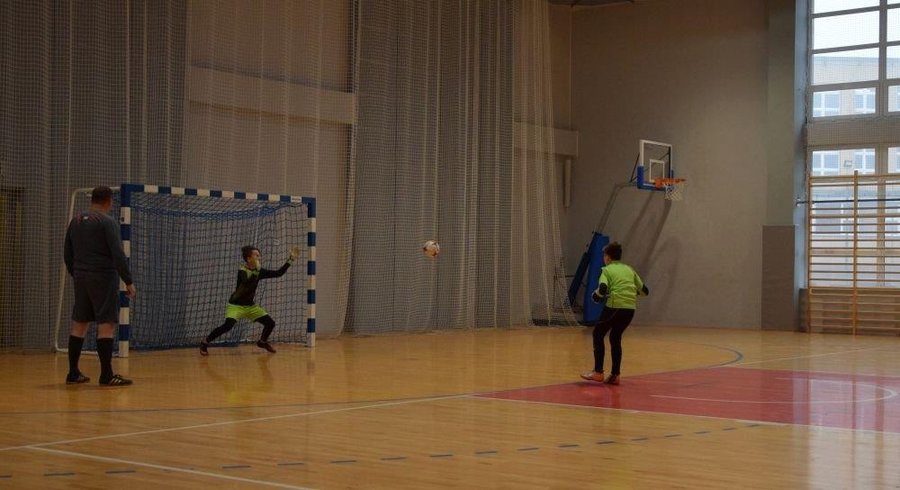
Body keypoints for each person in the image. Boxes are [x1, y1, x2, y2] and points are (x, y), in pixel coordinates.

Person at [64, 186, 136, 386]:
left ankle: (73, 372)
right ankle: (106, 375)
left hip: (81, 277)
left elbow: (67, 253)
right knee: (106, 324)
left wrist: (77, 273)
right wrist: (128, 280)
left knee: (79, 323)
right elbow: (117, 254)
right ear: (108, 201)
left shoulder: (75, 221)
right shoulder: (107, 222)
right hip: (103, 277)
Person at [200, 245, 299, 356]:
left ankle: (262, 342)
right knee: (228, 326)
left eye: (259, 255)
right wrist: (256, 271)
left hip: (250, 306)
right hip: (236, 305)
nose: (259, 257)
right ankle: (205, 342)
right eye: (256, 255)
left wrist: (290, 260)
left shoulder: (259, 271)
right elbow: (247, 283)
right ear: (248, 258)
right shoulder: (242, 270)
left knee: (270, 323)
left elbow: (278, 273)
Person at [580, 242, 648, 385]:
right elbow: (644, 291)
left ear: (608, 257)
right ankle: (615, 375)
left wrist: (595, 296)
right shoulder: (629, 269)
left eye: (604, 255)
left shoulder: (606, 270)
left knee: (598, 334)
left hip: (615, 306)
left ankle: (598, 372)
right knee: (615, 338)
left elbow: (602, 288)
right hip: (630, 309)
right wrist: (630, 293)